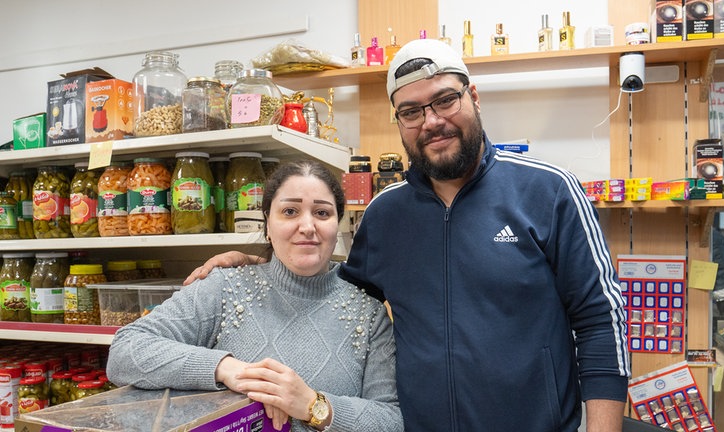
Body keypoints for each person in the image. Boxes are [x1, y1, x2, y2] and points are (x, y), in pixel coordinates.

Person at [185, 39, 630, 431]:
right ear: (399, 122)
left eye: (445, 100)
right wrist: (260, 266)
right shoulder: (385, 212)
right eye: (412, 111)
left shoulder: (548, 190)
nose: (431, 121)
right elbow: (339, 295)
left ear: (473, 97)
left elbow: (600, 322)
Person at [107, 160, 403, 432]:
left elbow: (391, 420)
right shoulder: (225, 287)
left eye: (322, 212)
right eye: (290, 211)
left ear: (336, 225)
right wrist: (227, 369)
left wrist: (313, 405)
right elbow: (125, 351)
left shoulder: (369, 314)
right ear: (267, 224)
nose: (307, 226)